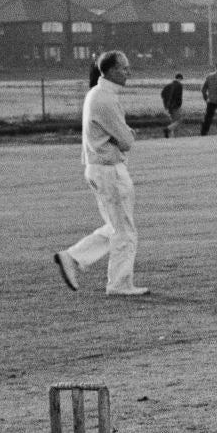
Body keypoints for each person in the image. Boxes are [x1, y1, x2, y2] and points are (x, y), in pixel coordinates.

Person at [52, 50, 148, 296]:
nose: (129, 72)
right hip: (109, 170)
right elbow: (126, 140)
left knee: (115, 227)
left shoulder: (96, 94)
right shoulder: (105, 98)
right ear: (111, 71)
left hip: (98, 168)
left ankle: (73, 257)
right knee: (124, 231)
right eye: (124, 68)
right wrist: (128, 135)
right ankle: (118, 283)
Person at [159, 72, 185, 138]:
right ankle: (167, 129)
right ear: (179, 78)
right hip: (175, 106)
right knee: (179, 120)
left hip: (168, 107)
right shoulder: (179, 85)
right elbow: (178, 96)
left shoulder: (168, 85)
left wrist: (166, 104)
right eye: (181, 79)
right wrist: (179, 105)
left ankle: (173, 137)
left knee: (173, 121)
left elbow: (162, 94)